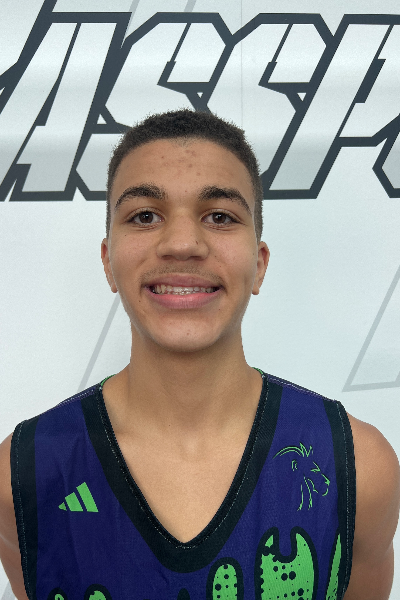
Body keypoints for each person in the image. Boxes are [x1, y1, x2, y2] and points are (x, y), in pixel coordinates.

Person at [0, 109, 399, 600]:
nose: (183, 243)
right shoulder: (22, 475)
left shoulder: (358, 467)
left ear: (259, 263)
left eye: (220, 216)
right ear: (108, 261)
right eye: (145, 216)